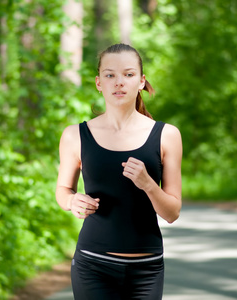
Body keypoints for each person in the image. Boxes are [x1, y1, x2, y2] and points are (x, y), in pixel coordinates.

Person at [55, 43, 182, 300]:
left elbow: (172, 213)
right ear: (99, 82)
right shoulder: (75, 135)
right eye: (110, 75)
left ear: (141, 82)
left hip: (147, 269)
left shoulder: (166, 135)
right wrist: (72, 201)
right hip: (92, 264)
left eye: (128, 74)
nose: (119, 83)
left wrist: (148, 183)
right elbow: (62, 190)